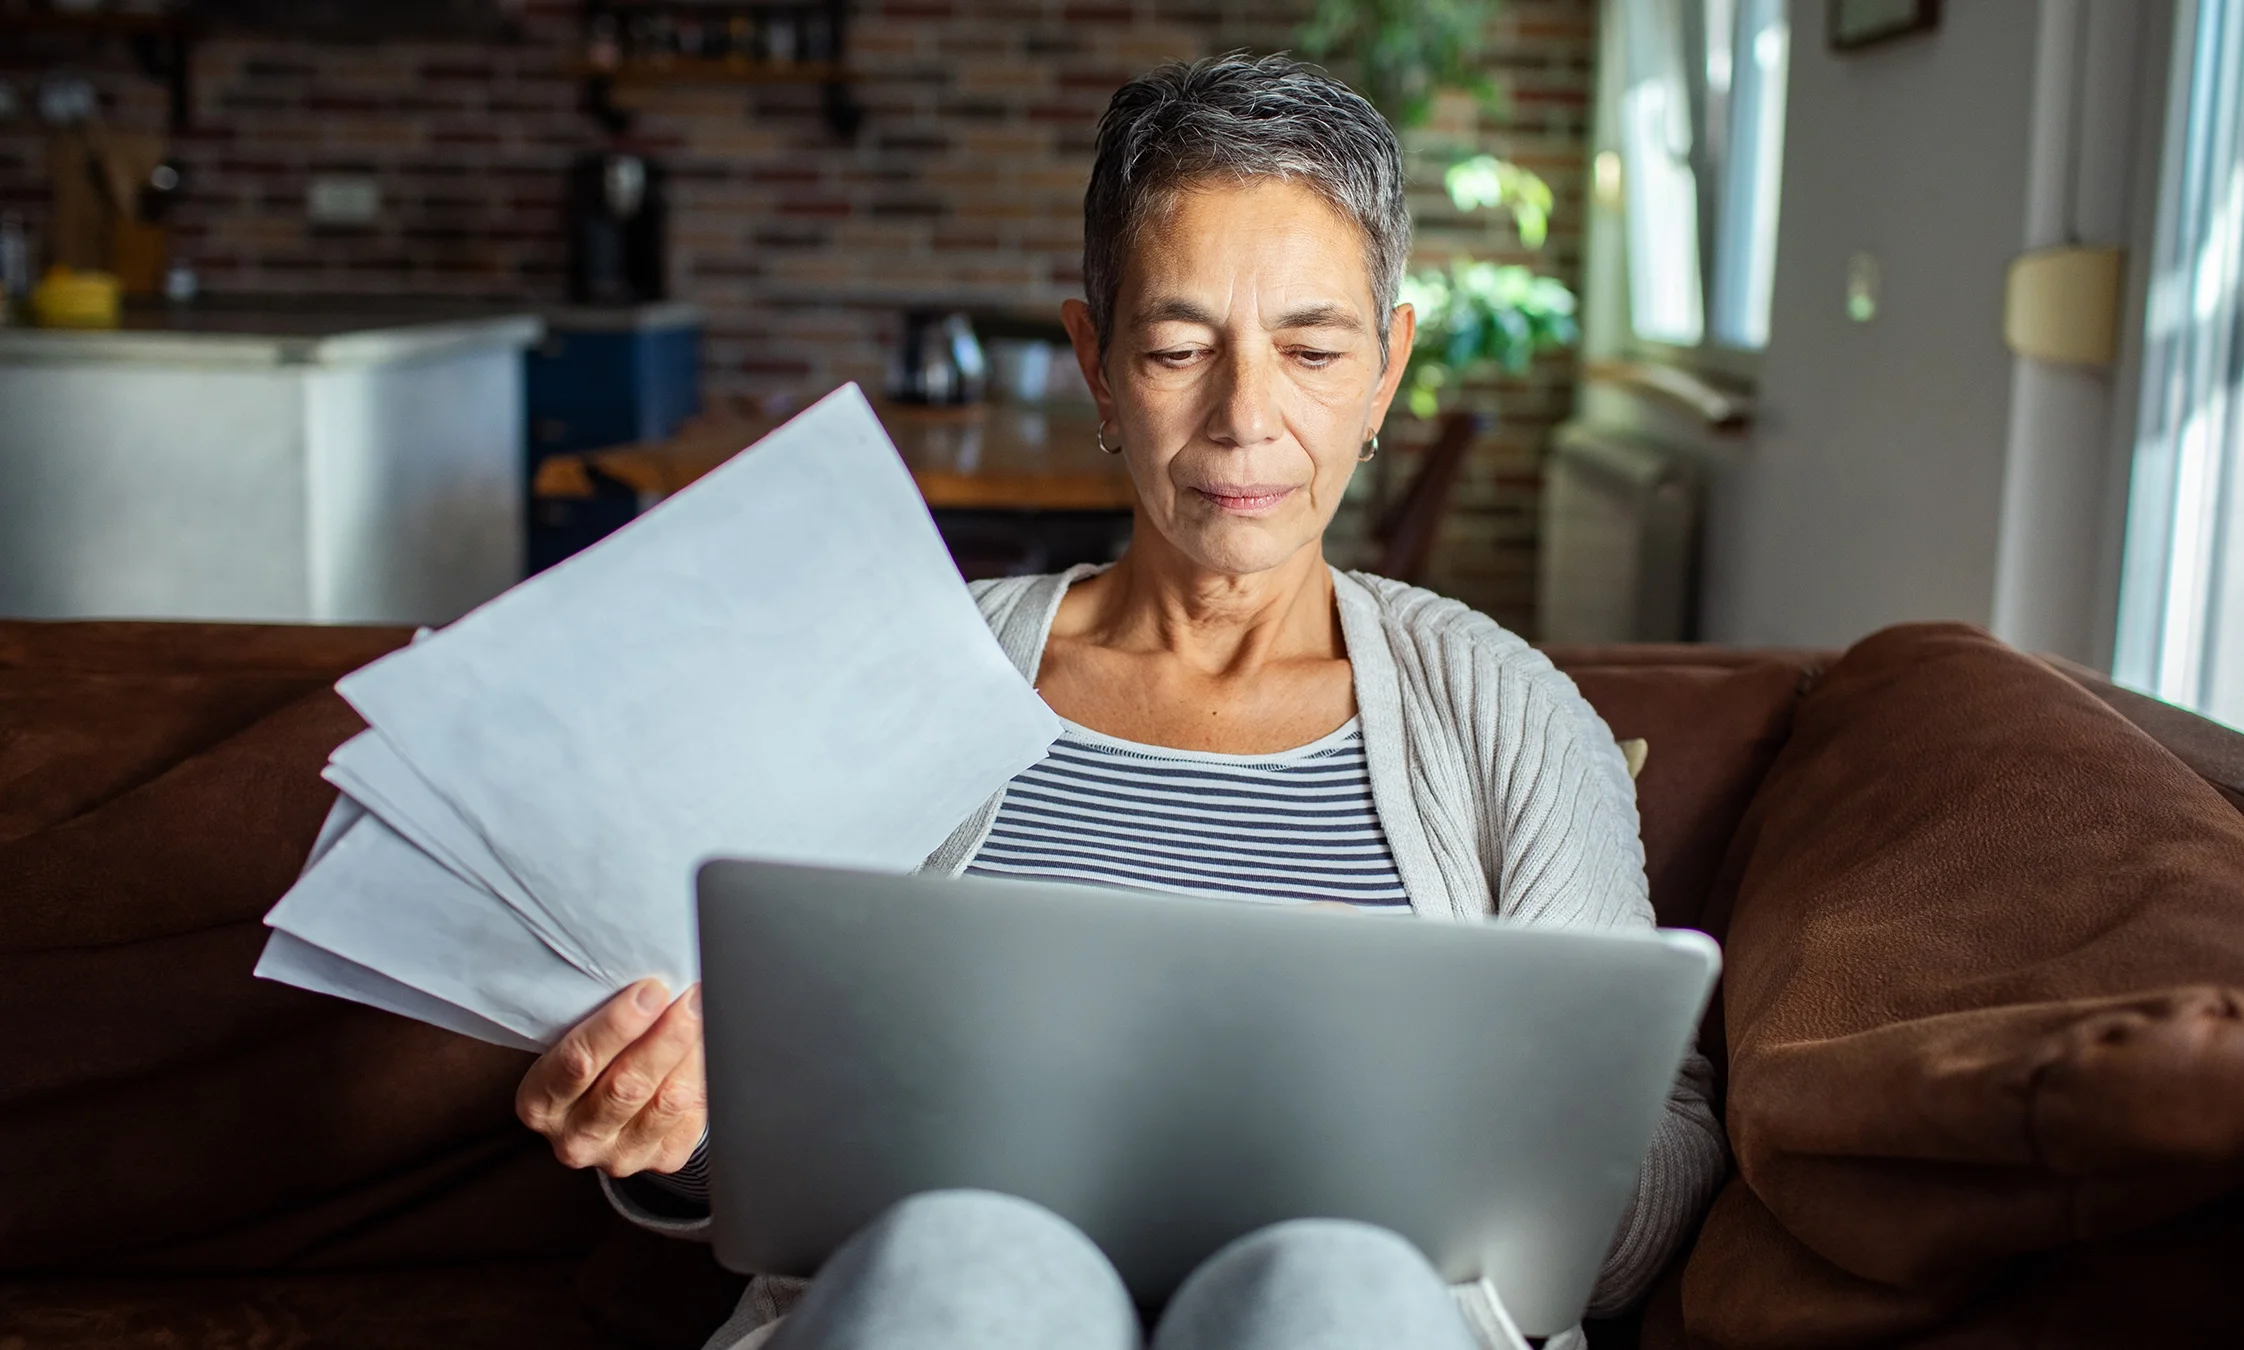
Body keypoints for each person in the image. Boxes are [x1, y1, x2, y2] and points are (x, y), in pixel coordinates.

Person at [511, 52, 1727, 1350]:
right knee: (965, 1259)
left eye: (1312, 347)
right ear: (1095, 360)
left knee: (1341, 1286)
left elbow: (1647, 1179)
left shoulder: (1511, 718)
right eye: (1176, 345)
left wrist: (1460, 1095)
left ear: (1387, 368)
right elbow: (762, 1133)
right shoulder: (916, 675)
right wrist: (673, 1124)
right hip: (944, 1305)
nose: (1244, 416)